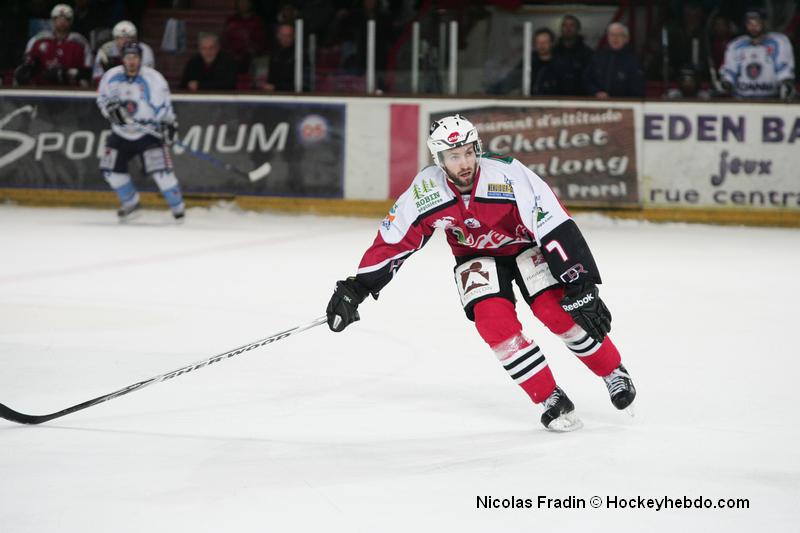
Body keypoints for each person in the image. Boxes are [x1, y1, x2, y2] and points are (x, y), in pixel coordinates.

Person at [325, 114, 636, 432]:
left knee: (556, 311)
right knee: (493, 323)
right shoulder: (426, 190)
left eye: (469, 152)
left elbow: (552, 219)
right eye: (454, 156)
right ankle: (549, 397)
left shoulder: (508, 173)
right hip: (476, 257)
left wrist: (579, 278)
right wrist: (358, 287)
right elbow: (395, 240)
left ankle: (613, 371)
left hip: (525, 247)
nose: (464, 163)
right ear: (439, 160)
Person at [96, 42, 185, 221]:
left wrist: (168, 125)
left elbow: (165, 107)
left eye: (135, 57)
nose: (132, 61)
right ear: (122, 59)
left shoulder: (154, 79)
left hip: (148, 133)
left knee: (162, 173)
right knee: (110, 172)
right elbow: (102, 100)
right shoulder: (111, 77)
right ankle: (131, 204)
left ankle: (178, 208)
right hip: (120, 133)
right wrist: (110, 112)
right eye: (128, 57)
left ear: (141, 59)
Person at [720, 10, 796, 101]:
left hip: (771, 99)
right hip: (742, 99)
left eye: (757, 23)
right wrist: (726, 83)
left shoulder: (778, 42)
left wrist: (786, 82)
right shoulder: (736, 45)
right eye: (750, 24)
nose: (753, 27)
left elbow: (784, 69)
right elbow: (729, 71)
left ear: (764, 23)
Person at [15, 4, 93, 87]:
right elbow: (27, 65)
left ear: (71, 21)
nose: (62, 21)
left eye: (66, 19)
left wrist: (66, 73)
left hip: (70, 89)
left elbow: (87, 71)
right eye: (58, 18)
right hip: (42, 89)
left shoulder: (80, 42)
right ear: (52, 20)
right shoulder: (38, 40)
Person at [584, 22, 645, 98]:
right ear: (608, 37)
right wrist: (596, 92)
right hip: (598, 102)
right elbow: (587, 79)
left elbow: (638, 89)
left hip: (622, 103)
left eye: (619, 35)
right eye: (612, 35)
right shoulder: (598, 57)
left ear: (626, 39)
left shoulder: (633, 61)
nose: (615, 38)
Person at [551, 14, 594, 96]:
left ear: (578, 29)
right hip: (556, 98)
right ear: (561, 29)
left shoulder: (588, 53)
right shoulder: (553, 52)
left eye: (572, 25)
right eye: (565, 25)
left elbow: (590, 79)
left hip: (580, 99)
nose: (568, 28)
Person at [222, 0, 267, 73]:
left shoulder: (257, 20)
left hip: (252, 59)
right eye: (241, 2)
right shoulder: (231, 20)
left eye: (246, 2)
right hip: (233, 58)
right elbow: (225, 39)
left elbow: (262, 40)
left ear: (250, 3)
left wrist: (256, 50)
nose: (243, 4)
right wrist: (231, 54)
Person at [263, 23, 296, 91]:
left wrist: (276, 87)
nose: (285, 39)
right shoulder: (275, 53)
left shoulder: (299, 54)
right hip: (275, 94)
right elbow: (270, 78)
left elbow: (302, 84)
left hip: (292, 94)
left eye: (289, 36)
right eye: (283, 35)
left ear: (294, 37)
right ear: (278, 36)